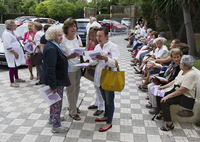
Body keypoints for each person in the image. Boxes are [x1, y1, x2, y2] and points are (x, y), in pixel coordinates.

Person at [89, 27, 120, 132]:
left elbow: (115, 62)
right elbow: (94, 62)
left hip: (109, 77)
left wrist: (106, 58)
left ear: (107, 36)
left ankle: (109, 122)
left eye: (100, 36)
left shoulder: (113, 46)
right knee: (104, 98)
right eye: (97, 36)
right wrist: (90, 61)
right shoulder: (97, 46)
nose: (98, 38)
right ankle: (106, 115)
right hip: (99, 76)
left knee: (109, 100)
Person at [156, 55, 198, 131]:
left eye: (181, 63)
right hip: (175, 90)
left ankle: (169, 124)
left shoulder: (191, 75)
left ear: (183, 65)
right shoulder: (183, 70)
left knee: (165, 101)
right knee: (159, 93)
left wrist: (167, 96)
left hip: (184, 96)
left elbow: (182, 90)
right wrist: (163, 87)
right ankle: (162, 112)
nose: (179, 64)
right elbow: (174, 81)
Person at [40, 27, 70, 133]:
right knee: (57, 102)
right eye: (59, 35)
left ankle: (52, 118)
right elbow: (50, 69)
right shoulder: (52, 48)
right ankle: (56, 125)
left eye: (61, 35)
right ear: (53, 36)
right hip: (55, 81)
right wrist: (53, 85)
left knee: (53, 102)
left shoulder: (53, 45)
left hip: (55, 79)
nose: (61, 37)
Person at [146, 48, 182, 114]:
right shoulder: (172, 63)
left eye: (178, 57)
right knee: (149, 85)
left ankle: (157, 107)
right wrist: (157, 75)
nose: (176, 59)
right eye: (174, 57)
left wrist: (165, 82)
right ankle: (153, 103)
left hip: (171, 84)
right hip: (165, 79)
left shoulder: (180, 66)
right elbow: (166, 72)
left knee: (154, 88)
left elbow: (175, 79)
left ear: (180, 56)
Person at [61, 18, 83, 121]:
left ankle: (73, 106)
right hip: (69, 69)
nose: (73, 28)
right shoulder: (63, 40)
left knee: (77, 88)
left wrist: (81, 51)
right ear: (66, 28)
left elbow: (81, 48)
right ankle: (72, 112)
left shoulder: (77, 37)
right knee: (71, 90)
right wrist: (70, 56)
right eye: (71, 26)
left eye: (74, 26)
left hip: (78, 66)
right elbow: (60, 57)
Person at [87, 26, 105, 116]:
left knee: (100, 88)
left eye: (95, 36)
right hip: (94, 67)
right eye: (91, 36)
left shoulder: (101, 45)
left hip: (100, 69)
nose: (93, 38)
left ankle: (101, 107)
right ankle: (97, 103)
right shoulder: (93, 44)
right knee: (96, 86)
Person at [2, 20, 26, 87]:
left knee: (15, 66)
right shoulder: (6, 34)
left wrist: (18, 38)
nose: (16, 26)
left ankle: (17, 78)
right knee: (12, 66)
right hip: (11, 53)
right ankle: (12, 82)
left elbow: (13, 40)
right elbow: (7, 45)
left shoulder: (11, 32)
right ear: (10, 26)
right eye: (14, 25)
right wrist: (14, 53)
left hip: (15, 52)